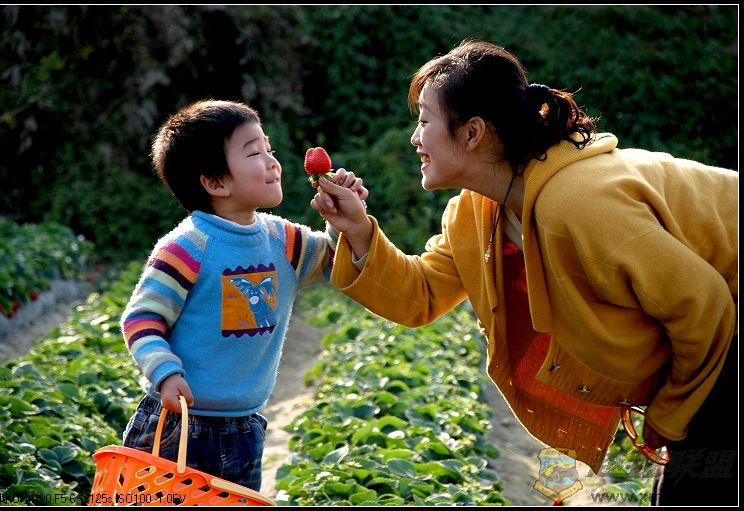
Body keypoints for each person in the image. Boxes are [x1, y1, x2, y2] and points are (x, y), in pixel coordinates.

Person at [311, 40, 737, 506]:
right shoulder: (478, 212)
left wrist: (672, 414)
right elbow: (421, 294)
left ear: (472, 132)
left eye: (425, 121)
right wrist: (357, 230)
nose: (415, 138)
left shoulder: (579, 200)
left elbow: (704, 307)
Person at [120, 99, 367, 492]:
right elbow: (141, 319)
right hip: (179, 423)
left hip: (245, 427)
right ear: (215, 183)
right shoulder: (187, 248)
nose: (272, 162)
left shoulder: (283, 240)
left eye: (269, 148)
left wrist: (344, 220)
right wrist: (165, 373)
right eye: (254, 153)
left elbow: (335, 263)